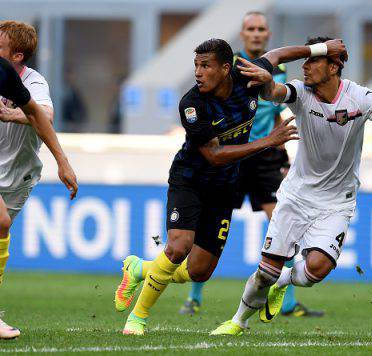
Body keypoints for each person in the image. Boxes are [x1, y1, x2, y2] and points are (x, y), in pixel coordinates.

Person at [210, 36, 372, 336]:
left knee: (316, 270)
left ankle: (285, 281)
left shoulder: (360, 98)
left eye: (313, 61)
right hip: (297, 194)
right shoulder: (300, 92)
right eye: (305, 61)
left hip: (337, 201)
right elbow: (274, 92)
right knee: (265, 273)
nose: (306, 67)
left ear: (334, 66)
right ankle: (239, 320)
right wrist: (267, 80)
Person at [113, 37, 348, 335]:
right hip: (190, 180)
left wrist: (323, 49)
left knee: (199, 271)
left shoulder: (246, 78)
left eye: (205, 66)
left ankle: (138, 269)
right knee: (178, 247)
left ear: (226, 68)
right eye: (196, 65)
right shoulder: (192, 104)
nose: (198, 72)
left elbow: (277, 54)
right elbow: (213, 155)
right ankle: (138, 317)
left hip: (224, 187)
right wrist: (267, 141)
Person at [179, 11, 323, 318]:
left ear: (268, 34)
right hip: (231, 154)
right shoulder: (230, 69)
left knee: (282, 223)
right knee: (208, 228)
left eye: (261, 29)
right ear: (242, 35)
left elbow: (283, 102)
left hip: (267, 157)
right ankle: (194, 296)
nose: (256, 34)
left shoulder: (277, 70)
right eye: (250, 29)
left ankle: (285, 301)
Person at [0, 21, 78, 339]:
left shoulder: (31, 81)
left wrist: (63, 162)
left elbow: (42, 114)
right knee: (0, 223)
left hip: (17, 178)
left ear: (17, 56)